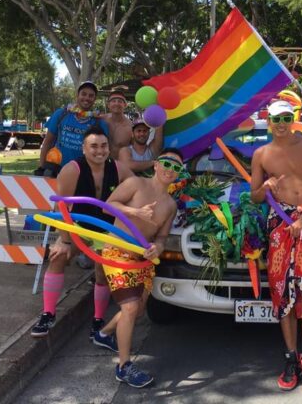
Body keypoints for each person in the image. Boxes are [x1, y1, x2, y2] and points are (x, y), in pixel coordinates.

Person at [251, 100, 302, 401]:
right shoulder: (261, 154)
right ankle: (290, 357)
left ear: (294, 118)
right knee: (281, 293)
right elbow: (255, 196)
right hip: (279, 225)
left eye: (286, 117)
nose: (281, 123)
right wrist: (266, 186)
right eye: (276, 119)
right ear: (269, 121)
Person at [30, 126, 134, 342]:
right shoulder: (72, 169)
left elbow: (137, 190)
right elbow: (62, 209)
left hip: (107, 230)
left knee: (102, 272)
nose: (100, 150)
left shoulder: (119, 168)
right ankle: (48, 313)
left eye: (104, 146)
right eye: (94, 146)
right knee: (58, 257)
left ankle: (97, 319)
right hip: (78, 227)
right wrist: (65, 241)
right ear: (84, 148)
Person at [93, 148, 181, 388]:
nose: (170, 170)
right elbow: (107, 206)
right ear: (155, 164)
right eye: (166, 163)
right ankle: (124, 366)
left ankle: (103, 334)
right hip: (117, 252)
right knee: (130, 307)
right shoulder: (135, 183)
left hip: (143, 259)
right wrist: (136, 212)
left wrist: (158, 248)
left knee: (138, 310)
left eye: (176, 167)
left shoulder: (171, 205)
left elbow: (162, 237)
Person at [38, 81, 109, 176]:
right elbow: (48, 142)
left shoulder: (99, 122)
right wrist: (42, 168)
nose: (87, 98)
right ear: (77, 95)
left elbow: (104, 151)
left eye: (91, 96)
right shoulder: (61, 114)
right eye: (83, 94)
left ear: (94, 99)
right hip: (56, 170)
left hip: (84, 173)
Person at [101, 89, 133, 160]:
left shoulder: (130, 127)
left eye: (120, 101)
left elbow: (135, 150)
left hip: (118, 166)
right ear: (108, 105)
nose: (116, 103)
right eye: (113, 101)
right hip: (100, 163)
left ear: (125, 105)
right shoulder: (101, 119)